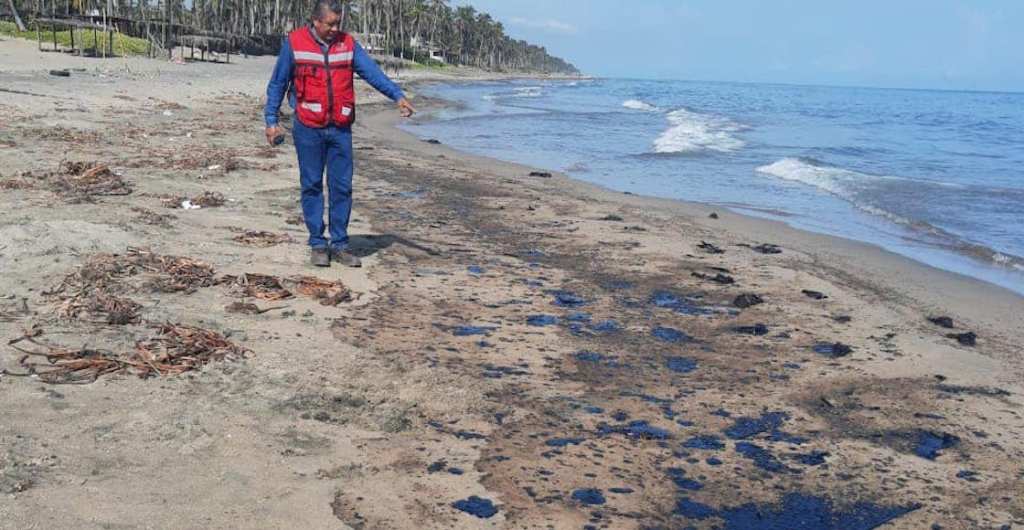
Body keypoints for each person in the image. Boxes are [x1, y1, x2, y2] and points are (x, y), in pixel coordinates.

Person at [264, 0, 415, 267]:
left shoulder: (348, 44)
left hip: (340, 128)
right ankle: (317, 243)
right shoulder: (295, 43)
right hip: (308, 127)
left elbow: (372, 73)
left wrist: (397, 95)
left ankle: (341, 243)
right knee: (311, 184)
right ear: (316, 21)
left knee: (342, 187)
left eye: (338, 23)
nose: (335, 28)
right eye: (330, 23)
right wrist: (271, 120)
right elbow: (278, 83)